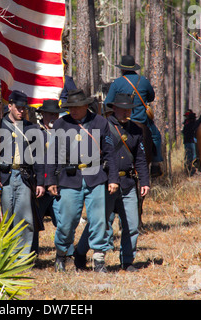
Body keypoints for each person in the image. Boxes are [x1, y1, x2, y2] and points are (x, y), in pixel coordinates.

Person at [74, 93, 150, 272]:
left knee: (131, 225)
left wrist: (145, 181)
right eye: (122, 109)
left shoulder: (136, 130)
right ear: (114, 108)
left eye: (128, 110)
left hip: (128, 183)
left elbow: (140, 158)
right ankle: (80, 252)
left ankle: (127, 260)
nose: (126, 113)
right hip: (106, 183)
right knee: (97, 222)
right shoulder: (103, 126)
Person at [45, 89, 119, 272]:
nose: (74, 110)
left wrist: (113, 179)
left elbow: (110, 152)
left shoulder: (100, 122)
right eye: (70, 107)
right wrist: (50, 181)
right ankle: (61, 255)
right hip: (69, 179)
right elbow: (51, 155)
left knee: (99, 220)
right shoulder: (60, 124)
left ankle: (99, 260)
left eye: (77, 107)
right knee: (66, 222)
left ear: (86, 105)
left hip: (96, 177)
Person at [0, 90, 45, 256]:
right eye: (18, 107)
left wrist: (40, 182)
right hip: (4, 178)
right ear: (9, 106)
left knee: (25, 219)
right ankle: (3, 256)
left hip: (24, 177)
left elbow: (39, 158)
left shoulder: (31, 128)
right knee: (4, 219)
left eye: (23, 108)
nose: (21, 111)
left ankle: (22, 257)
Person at [104, 55, 163, 177]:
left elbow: (107, 102)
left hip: (120, 120)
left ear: (122, 69)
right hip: (142, 120)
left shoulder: (117, 82)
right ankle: (156, 164)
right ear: (134, 68)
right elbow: (151, 97)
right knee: (156, 135)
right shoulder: (144, 81)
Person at [35, 99, 63, 227]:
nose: (54, 117)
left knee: (63, 223)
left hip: (59, 183)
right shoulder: (34, 132)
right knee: (35, 222)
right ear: (43, 114)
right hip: (40, 186)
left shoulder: (63, 132)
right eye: (50, 114)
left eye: (56, 114)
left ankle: (65, 247)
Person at [182, 110, 197, 176]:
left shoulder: (194, 123)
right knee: (189, 157)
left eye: (187, 116)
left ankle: (194, 170)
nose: (186, 117)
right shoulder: (186, 123)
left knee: (194, 156)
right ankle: (188, 170)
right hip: (188, 142)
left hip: (193, 142)